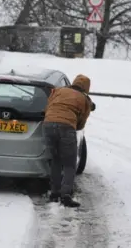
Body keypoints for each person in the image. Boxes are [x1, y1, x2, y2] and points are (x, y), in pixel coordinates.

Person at [43, 74, 92, 208]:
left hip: (48, 124)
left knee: (56, 159)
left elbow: (48, 107)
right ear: (86, 88)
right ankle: (66, 195)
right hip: (66, 127)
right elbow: (82, 122)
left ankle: (54, 193)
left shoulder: (58, 91)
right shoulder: (84, 99)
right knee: (69, 163)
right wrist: (74, 125)